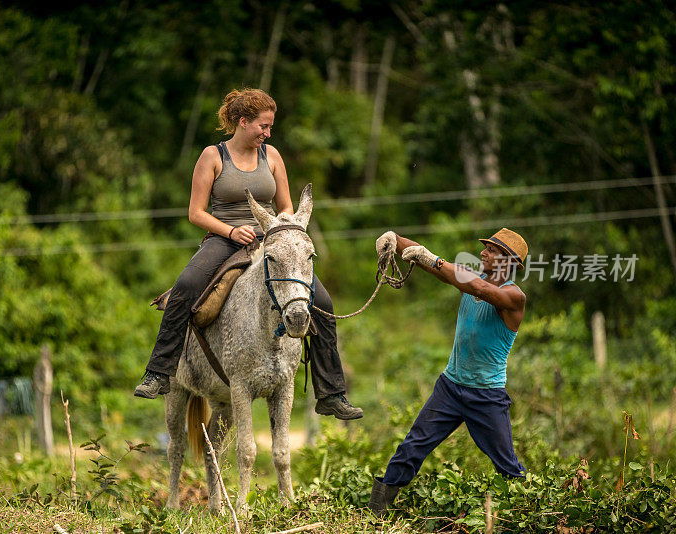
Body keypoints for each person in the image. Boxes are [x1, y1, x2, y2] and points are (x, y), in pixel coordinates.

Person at [133, 88, 362, 420]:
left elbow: (285, 206)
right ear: (243, 122)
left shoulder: (272, 156)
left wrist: (279, 227)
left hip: (270, 240)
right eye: (263, 126)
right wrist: (230, 231)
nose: (268, 133)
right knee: (185, 286)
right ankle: (158, 372)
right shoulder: (212, 156)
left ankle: (331, 393)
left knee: (323, 304)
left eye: (270, 128)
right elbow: (195, 212)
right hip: (224, 239)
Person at [368, 228, 529, 516]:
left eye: (492, 250)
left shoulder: (513, 296)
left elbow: (479, 288)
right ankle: (376, 510)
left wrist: (433, 260)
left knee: (506, 465)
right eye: (486, 248)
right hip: (450, 388)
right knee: (412, 447)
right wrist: (396, 240)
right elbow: (433, 262)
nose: (483, 253)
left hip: (487, 395)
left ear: (508, 262)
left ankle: (526, 511)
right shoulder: (469, 279)